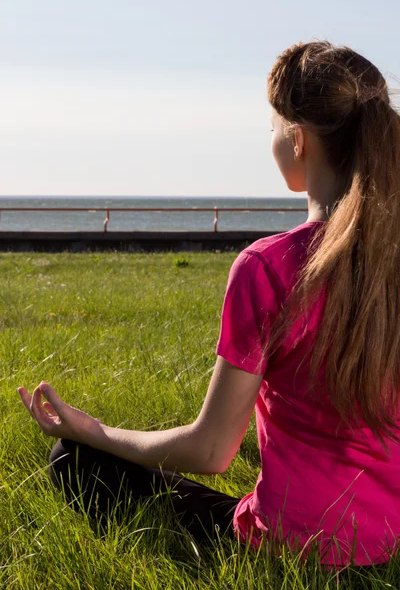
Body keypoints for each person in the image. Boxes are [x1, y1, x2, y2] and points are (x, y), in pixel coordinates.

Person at [19, 40, 400, 569]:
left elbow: (212, 451)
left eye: (270, 127)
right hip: (391, 548)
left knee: (75, 460)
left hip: (292, 548)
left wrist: (94, 431)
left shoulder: (269, 267)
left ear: (298, 138)